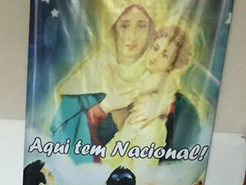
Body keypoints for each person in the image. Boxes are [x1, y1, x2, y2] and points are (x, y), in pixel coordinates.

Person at [49, 0, 202, 164]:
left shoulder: (169, 89)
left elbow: (187, 153)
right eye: (124, 25)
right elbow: (62, 145)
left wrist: (165, 107)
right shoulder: (85, 81)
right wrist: (102, 108)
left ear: (152, 31)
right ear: (111, 28)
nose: (132, 36)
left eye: (142, 26)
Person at [103, 25, 192, 169]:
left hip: (148, 131)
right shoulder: (151, 74)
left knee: (139, 172)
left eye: (164, 55)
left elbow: (133, 91)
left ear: (172, 65)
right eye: (155, 48)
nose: (155, 56)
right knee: (112, 161)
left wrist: (114, 79)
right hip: (133, 126)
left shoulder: (163, 78)